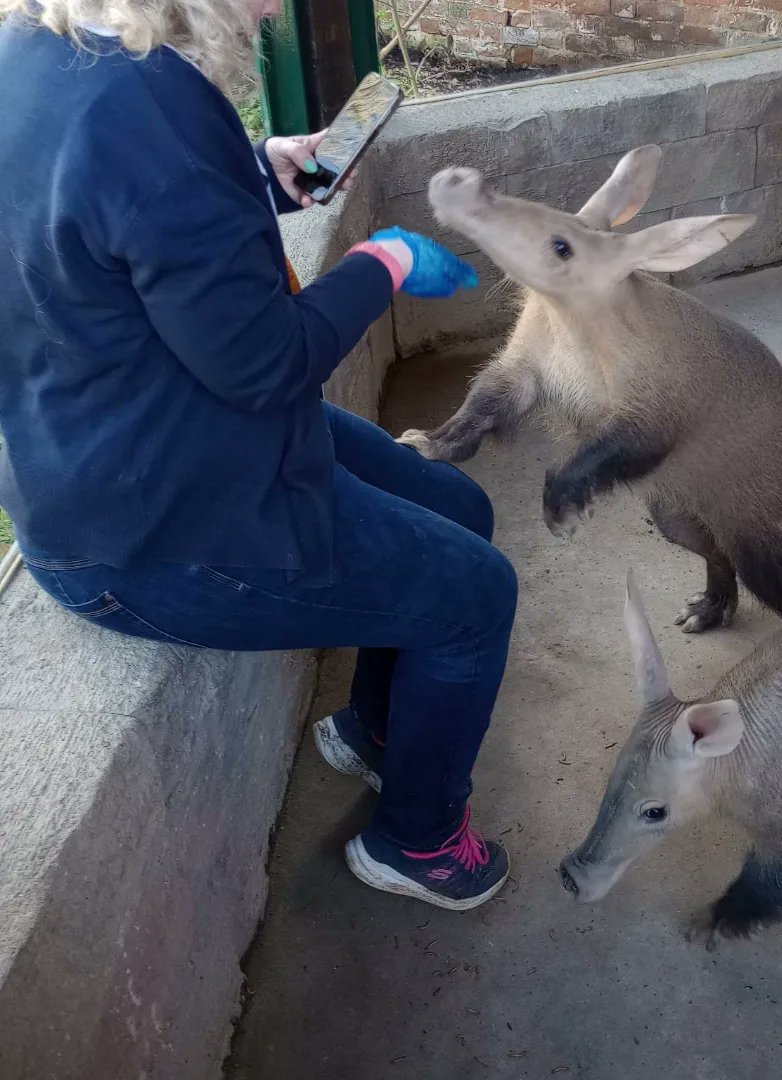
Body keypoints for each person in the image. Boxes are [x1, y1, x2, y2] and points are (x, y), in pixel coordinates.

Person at [0, 1, 517, 911]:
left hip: (142, 436)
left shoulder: (43, 51)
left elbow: (113, 211)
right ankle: (419, 842)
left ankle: (381, 732)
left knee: (460, 512)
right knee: (477, 597)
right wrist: (383, 265)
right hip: (160, 523)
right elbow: (266, 362)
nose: (276, 6)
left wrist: (254, 174)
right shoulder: (151, 108)